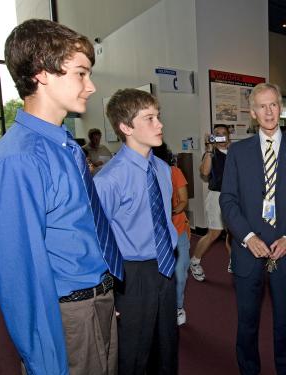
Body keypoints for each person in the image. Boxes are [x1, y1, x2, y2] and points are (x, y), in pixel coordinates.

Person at [0, 19, 123, 375]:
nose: (91, 86)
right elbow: (20, 276)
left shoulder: (65, 146)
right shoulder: (20, 158)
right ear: (42, 73)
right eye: (81, 74)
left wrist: (102, 293)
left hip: (95, 300)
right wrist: (45, 361)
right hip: (67, 315)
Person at [220, 82, 286, 375]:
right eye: (262, 106)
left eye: (273, 104)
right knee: (247, 321)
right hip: (249, 250)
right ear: (253, 112)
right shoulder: (238, 151)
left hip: (285, 250)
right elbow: (229, 200)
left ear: (280, 106)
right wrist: (247, 237)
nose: (269, 111)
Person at [94, 89, 178, 375]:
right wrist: (111, 293)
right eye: (150, 118)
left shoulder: (163, 169)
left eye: (158, 117)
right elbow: (97, 240)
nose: (160, 124)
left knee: (166, 349)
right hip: (130, 275)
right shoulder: (109, 179)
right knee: (133, 355)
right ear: (126, 127)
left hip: (166, 268)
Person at [153, 143, 191, 326]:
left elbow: (184, 201)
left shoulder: (173, 172)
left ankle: (178, 306)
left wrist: (170, 213)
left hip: (177, 230)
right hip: (153, 234)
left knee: (180, 272)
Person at [190, 124, 232, 281]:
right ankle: (195, 261)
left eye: (223, 134)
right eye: (217, 134)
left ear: (228, 136)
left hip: (234, 197)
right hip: (216, 196)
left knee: (233, 233)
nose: (220, 137)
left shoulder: (235, 152)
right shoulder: (211, 153)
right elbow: (204, 172)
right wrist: (208, 149)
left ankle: (233, 260)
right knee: (214, 233)